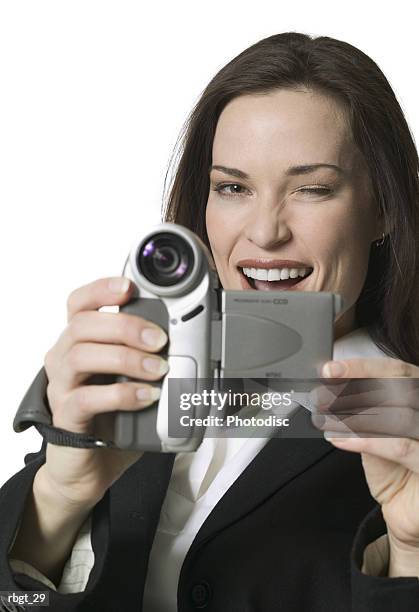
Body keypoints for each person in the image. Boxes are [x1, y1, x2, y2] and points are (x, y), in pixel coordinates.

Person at [1, 31, 419, 611]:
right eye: (232, 187)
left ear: (383, 208)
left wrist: (410, 551)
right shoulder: (134, 377)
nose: (265, 231)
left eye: (314, 189)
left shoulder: (409, 426)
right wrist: (59, 493)